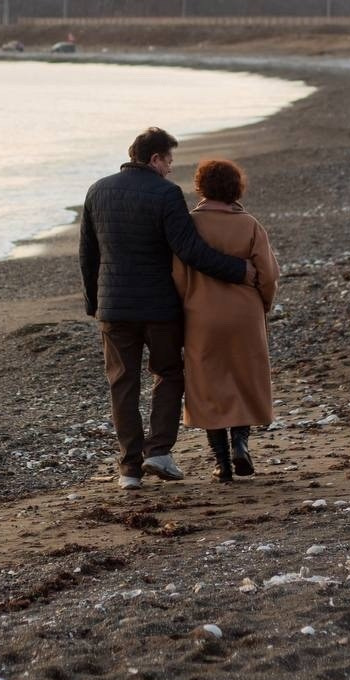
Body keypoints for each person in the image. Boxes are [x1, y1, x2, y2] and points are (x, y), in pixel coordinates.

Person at [80, 127, 255, 491]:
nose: (172, 169)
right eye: (170, 161)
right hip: (159, 307)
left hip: (114, 308)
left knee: (122, 384)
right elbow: (190, 250)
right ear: (154, 158)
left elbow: (88, 255)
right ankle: (158, 451)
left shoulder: (97, 190)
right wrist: (240, 270)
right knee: (169, 374)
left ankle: (129, 470)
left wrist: (94, 303)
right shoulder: (165, 193)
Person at [172, 158, 279, 482]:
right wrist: (264, 303)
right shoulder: (249, 224)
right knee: (244, 378)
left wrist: (185, 305)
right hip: (245, 314)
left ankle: (221, 463)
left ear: (201, 186)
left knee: (209, 385)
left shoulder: (188, 224)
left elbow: (177, 274)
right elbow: (269, 274)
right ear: (236, 187)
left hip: (201, 314)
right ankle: (241, 445)